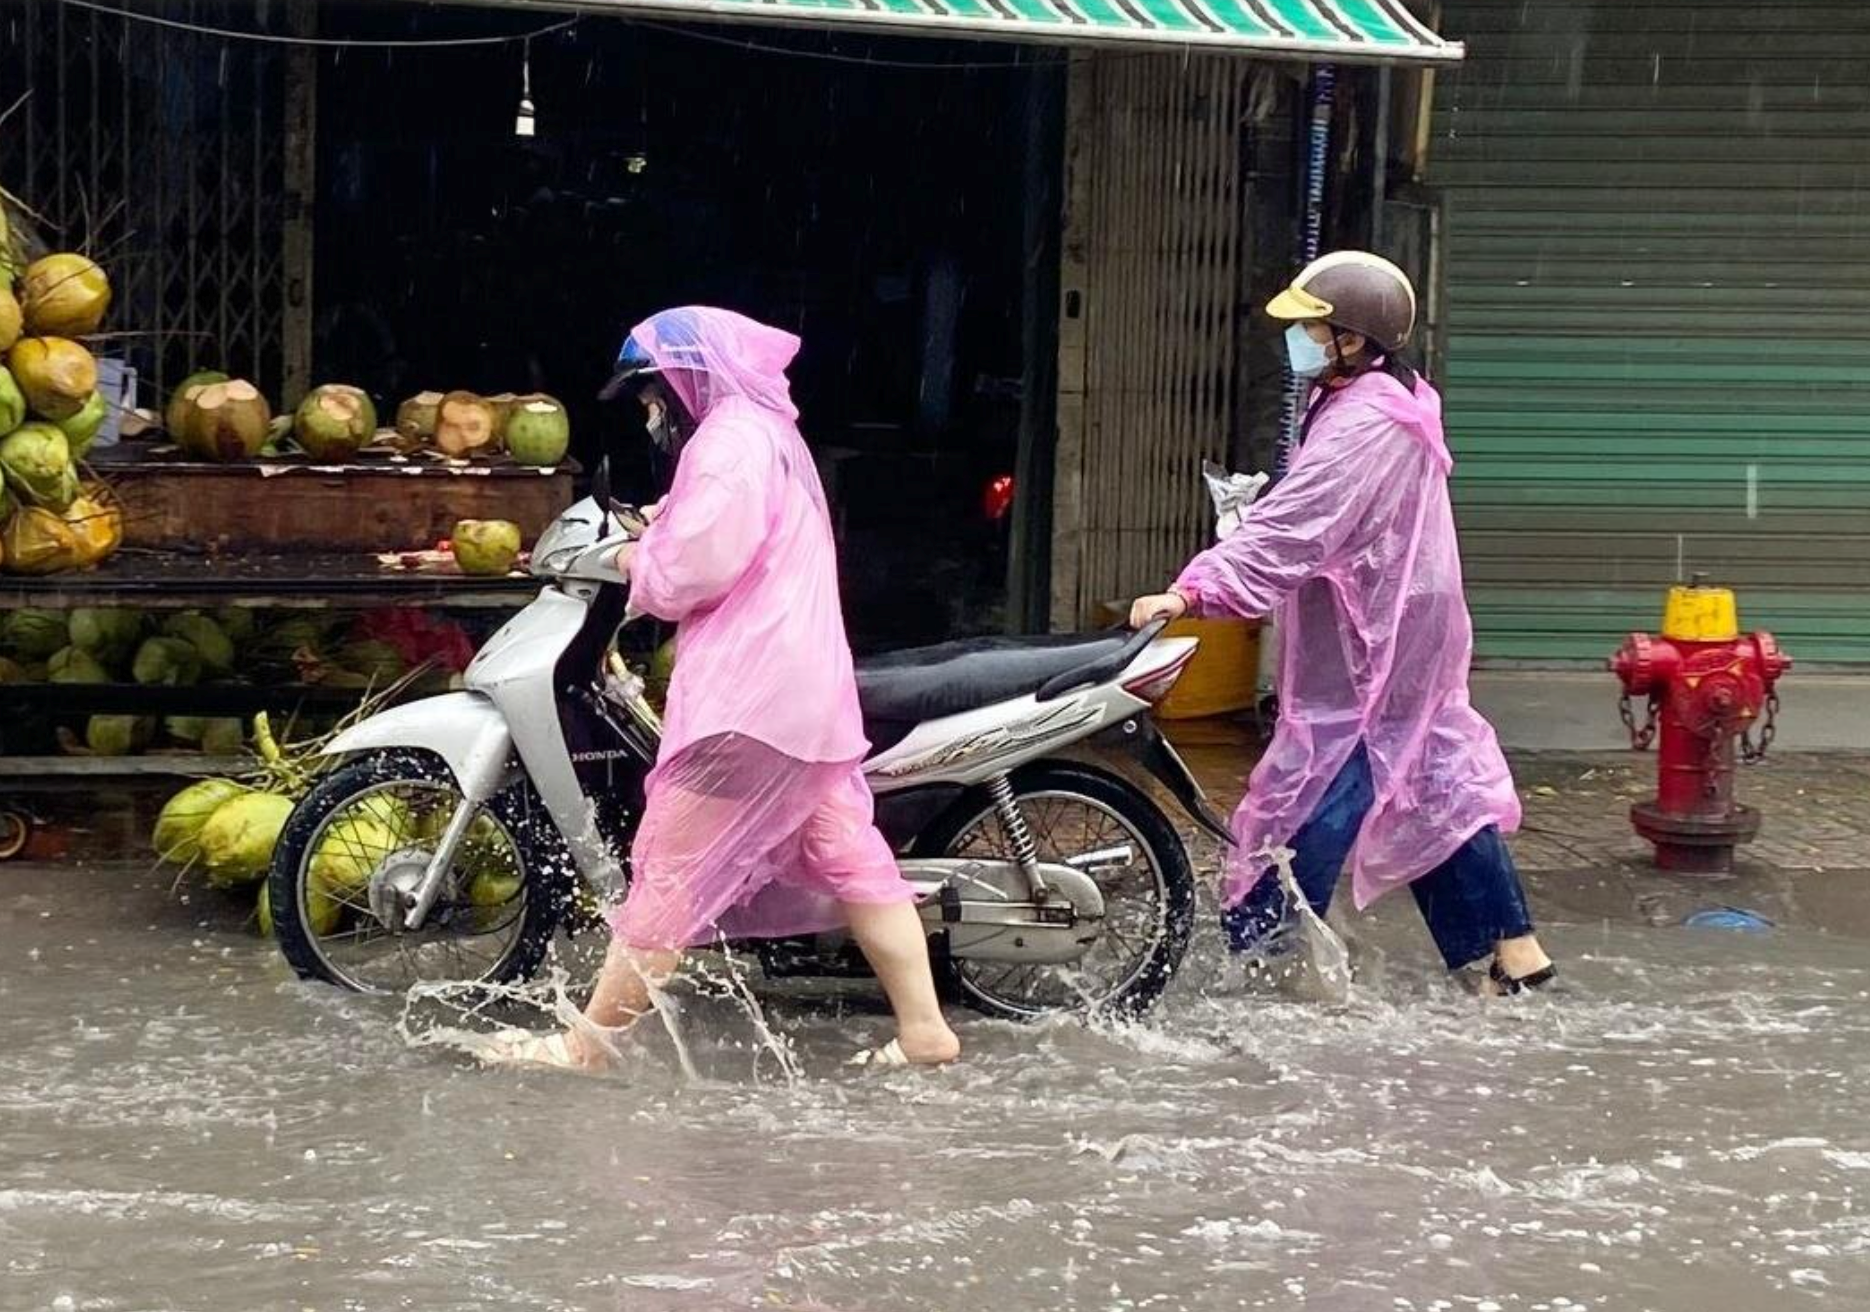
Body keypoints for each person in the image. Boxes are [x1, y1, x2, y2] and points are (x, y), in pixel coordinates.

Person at [494, 306, 961, 1069]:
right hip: (805, 694)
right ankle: (924, 1030)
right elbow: (726, 526)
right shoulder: (767, 435)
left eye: (650, 396)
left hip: (751, 700)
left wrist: (633, 564)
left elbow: (700, 565)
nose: (649, 412)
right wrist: (663, 521)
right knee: (849, 853)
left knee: (668, 872)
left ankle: (588, 1045)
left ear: (682, 383)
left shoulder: (728, 441)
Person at [1129, 252, 1556, 995]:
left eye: (1311, 327)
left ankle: (1269, 960)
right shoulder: (1385, 395)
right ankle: (1510, 951)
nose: (1297, 338)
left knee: (1312, 793)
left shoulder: (1365, 420)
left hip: (1375, 640)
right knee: (1428, 778)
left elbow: (1301, 526)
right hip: (1394, 622)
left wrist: (1194, 592)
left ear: (1352, 339)